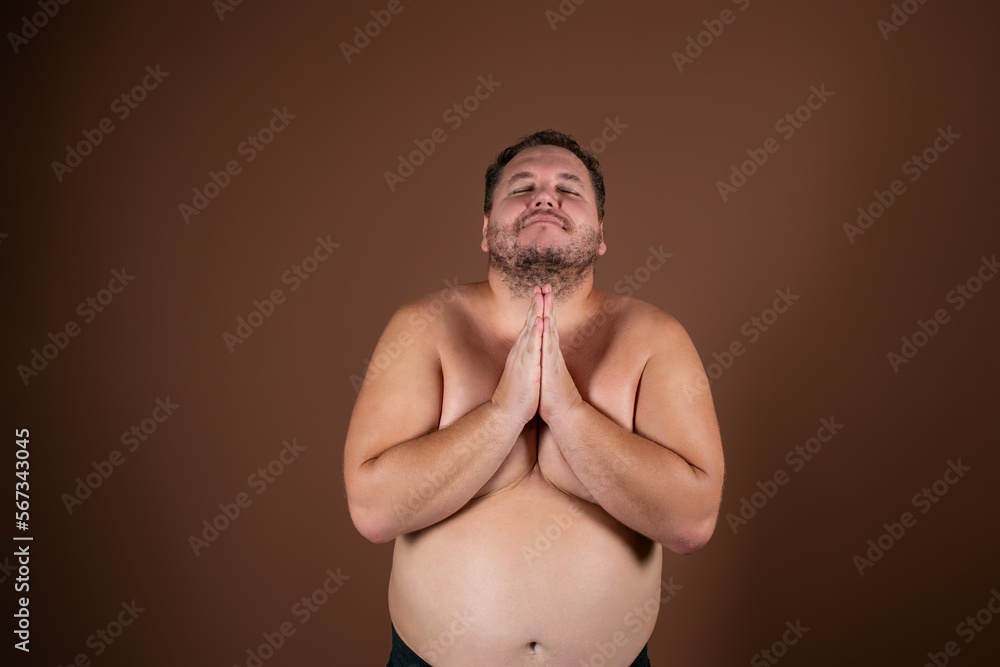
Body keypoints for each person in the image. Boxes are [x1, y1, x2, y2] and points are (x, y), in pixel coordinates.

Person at [344, 129, 725, 667]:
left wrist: (568, 412)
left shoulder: (654, 338)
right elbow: (374, 511)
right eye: (522, 188)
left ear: (600, 236)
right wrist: (504, 413)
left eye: (569, 189)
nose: (545, 198)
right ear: (485, 230)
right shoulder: (423, 327)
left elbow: (691, 522)